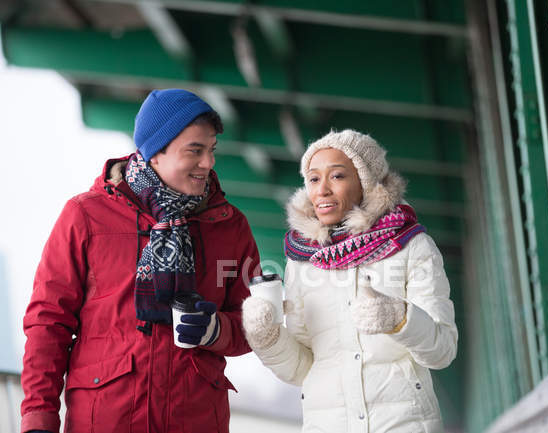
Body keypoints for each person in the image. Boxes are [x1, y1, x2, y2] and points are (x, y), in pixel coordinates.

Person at [20, 89, 260, 433]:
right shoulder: (85, 216)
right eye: (195, 150)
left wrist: (216, 329)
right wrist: (38, 417)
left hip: (195, 418)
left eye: (211, 150)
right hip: (105, 419)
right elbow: (49, 322)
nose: (209, 163)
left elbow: (257, 323)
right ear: (155, 152)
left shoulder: (230, 226)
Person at [242, 129, 458, 433]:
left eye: (337, 176)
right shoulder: (301, 262)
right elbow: (302, 368)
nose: (322, 190)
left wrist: (400, 319)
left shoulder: (412, 246)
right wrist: (268, 339)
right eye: (314, 179)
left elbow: (442, 350)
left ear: (366, 182)